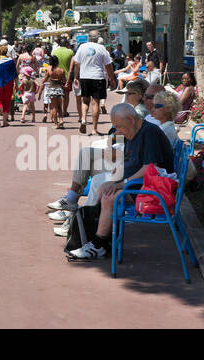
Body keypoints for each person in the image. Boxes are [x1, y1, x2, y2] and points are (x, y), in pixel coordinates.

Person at [67, 101, 175, 261]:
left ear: (131, 120)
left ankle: (98, 243)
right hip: (143, 184)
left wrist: (120, 184)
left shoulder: (149, 133)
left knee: (110, 196)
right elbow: (129, 162)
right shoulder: (134, 131)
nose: (117, 131)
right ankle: (92, 235)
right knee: (103, 187)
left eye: (119, 127)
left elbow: (149, 168)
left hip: (155, 190)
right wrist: (114, 178)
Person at [70, 36, 117, 136]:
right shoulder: (101, 48)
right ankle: (94, 129)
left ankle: (83, 119)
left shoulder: (82, 47)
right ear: (97, 38)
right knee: (95, 103)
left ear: (89, 37)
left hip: (84, 77)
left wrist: (75, 77)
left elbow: (76, 63)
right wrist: (112, 78)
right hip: (98, 77)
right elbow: (108, 65)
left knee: (85, 100)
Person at [0, 44, 17, 128]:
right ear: (6, 51)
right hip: (8, 83)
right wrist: (17, 84)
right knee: (6, 101)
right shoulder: (10, 61)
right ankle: (4, 121)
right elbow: (15, 74)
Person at [51, 37, 74, 122]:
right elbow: (73, 65)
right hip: (67, 76)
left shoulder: (54, 51)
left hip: (55, 76)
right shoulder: (70, 52)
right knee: (66, 95)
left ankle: (56, 110)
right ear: (67, 44)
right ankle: (64, 111)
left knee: (56, 95)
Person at [42, 54, 67, 130]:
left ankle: (56, 124)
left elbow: (45, 80)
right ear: (57, 62)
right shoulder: (61, 71)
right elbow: (64, 81)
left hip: (51, 89)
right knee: (60, 106)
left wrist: (42, 84)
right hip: (59, 89)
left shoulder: (49, 71)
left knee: (53, 107)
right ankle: (61, 120)